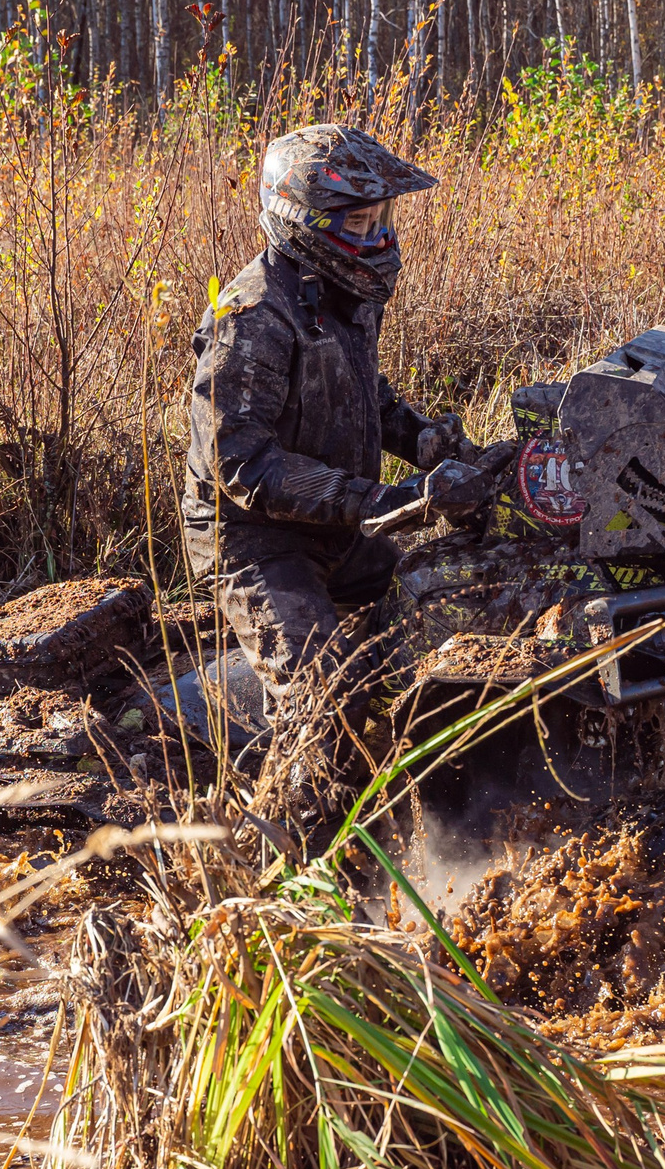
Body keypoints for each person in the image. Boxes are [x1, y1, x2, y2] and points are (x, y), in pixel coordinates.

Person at [181, 124, 484, 754]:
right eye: (357, 224)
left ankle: (425, 780)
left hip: (340, 525)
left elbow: (362, 389)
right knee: (327, 700)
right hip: (258, 541)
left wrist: (427, 440)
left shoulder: (342, 294)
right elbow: (237, 461)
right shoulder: (253, 314)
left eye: (380, 220)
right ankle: (293, 838)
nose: (375, 238)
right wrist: (376, 500)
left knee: (455, 611)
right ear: (302, 220)